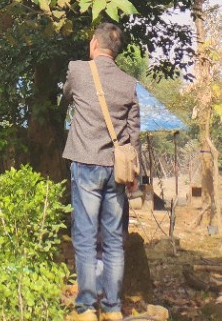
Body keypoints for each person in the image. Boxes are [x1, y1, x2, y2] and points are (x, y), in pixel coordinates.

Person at [62, 21, 141, 321]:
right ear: (116, 52)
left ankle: (85, 308)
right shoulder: (129, 83)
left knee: (84, 236)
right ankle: (112, 308)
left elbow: (67, 97)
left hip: (85, 164)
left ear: (94, 45)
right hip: (116, 171)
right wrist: (135, 174)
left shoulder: (78, 70)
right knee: (113, 239)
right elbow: (133, 133)